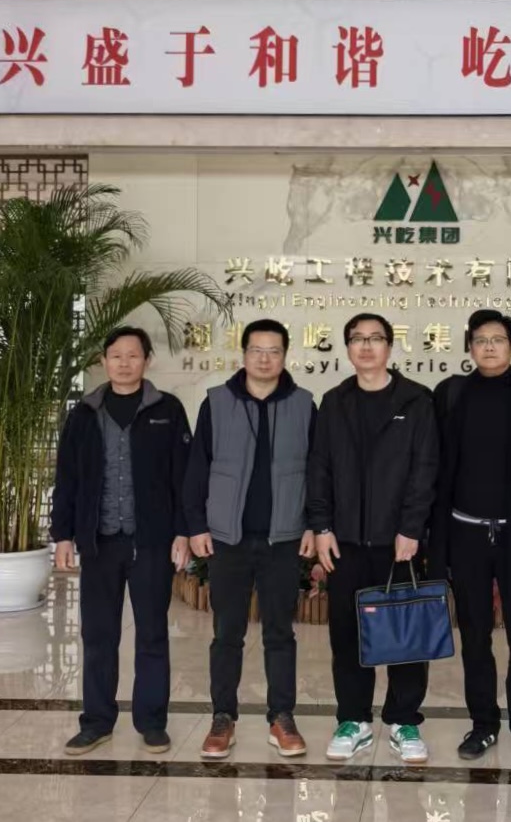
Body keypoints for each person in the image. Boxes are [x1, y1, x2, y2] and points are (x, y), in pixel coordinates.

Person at [428, 309, 511, 766]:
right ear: (469, 347)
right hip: (466, 533)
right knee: (475, 637)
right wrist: (437, 539)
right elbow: (438, 469)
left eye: (498, 339)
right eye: (481, 339)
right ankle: (483, 724)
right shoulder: (450, 393)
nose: (489, 346)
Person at [50, 326, 192, 756]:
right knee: (98, 636)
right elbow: (67, 478)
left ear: (147, 360)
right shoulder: (83, 414)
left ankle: (152, 722)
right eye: (116, 355)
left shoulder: (167, 409)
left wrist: (183, 532)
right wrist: (62, 535)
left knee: (152, 635)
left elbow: (184, 478)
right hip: (99, 543)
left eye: (133, 355)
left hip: (151, 542)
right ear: (104, 361)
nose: (124, 363)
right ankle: (96, 722)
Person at [306, 313, 439, 764]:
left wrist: (411, 528)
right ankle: (353, 719)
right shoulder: (334, 401)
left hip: (397, 541)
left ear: (389, 346)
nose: (366, 346)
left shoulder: (416, 400)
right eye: (357, 339)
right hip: (344, 541)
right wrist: (322, 527)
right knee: (347, 634)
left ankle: (403, 720)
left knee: (405, 633)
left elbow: (425, 468)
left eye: (375, 338)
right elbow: (319, 468)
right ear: (347, 348)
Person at [183, 319, 316, 759]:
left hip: (284, 538)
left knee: (280, 633)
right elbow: (197, 468)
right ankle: (223, 717)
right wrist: (197, 526)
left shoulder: (303, 404)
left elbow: (318, 471)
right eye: (257, 350)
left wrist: (314, 525)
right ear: (243, 355)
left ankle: (282, 718)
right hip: (228, 539)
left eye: (274, 351)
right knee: (227, 633)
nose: (265, 358)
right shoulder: (217, 402)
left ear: (285, 356)